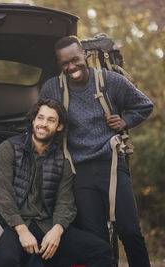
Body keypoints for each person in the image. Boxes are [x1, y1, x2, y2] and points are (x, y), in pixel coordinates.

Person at [39, 35, 153, 267]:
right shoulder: (53, 87)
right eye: (64, 63)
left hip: (111, 164)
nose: (71, 67)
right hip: (77, 171)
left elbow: (144, 105)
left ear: (85, 55)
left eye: (75, 60)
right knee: (97, 239)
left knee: (130, 231)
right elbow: (40, 121)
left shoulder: (110, 81)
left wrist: (125, 122)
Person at [0, 98, 112, 267]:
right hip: (13, 225)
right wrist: (22, 230)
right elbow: (4, 197)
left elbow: (66, 203)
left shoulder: (62, 162)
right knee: (5, 260)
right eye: (40, 118)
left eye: (51, 120)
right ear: (33, 120)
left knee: (102, 251)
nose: (43, 124)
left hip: (47, 225)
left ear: (59, 126)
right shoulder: (8, 149)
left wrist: (57, 230)